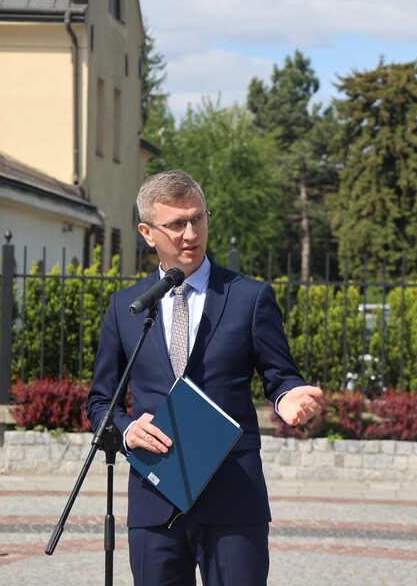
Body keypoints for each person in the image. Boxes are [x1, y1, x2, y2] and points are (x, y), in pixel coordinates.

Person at [86, 169, 324, 586]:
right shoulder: (128, 308)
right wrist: (126, 431)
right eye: (176, 224)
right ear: (147, 231)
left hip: (233, 498)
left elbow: (281, 376)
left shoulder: (250, 298)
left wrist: (288, 398)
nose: (190, 233)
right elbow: (100, 402)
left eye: (198, 219)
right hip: (155, 499)